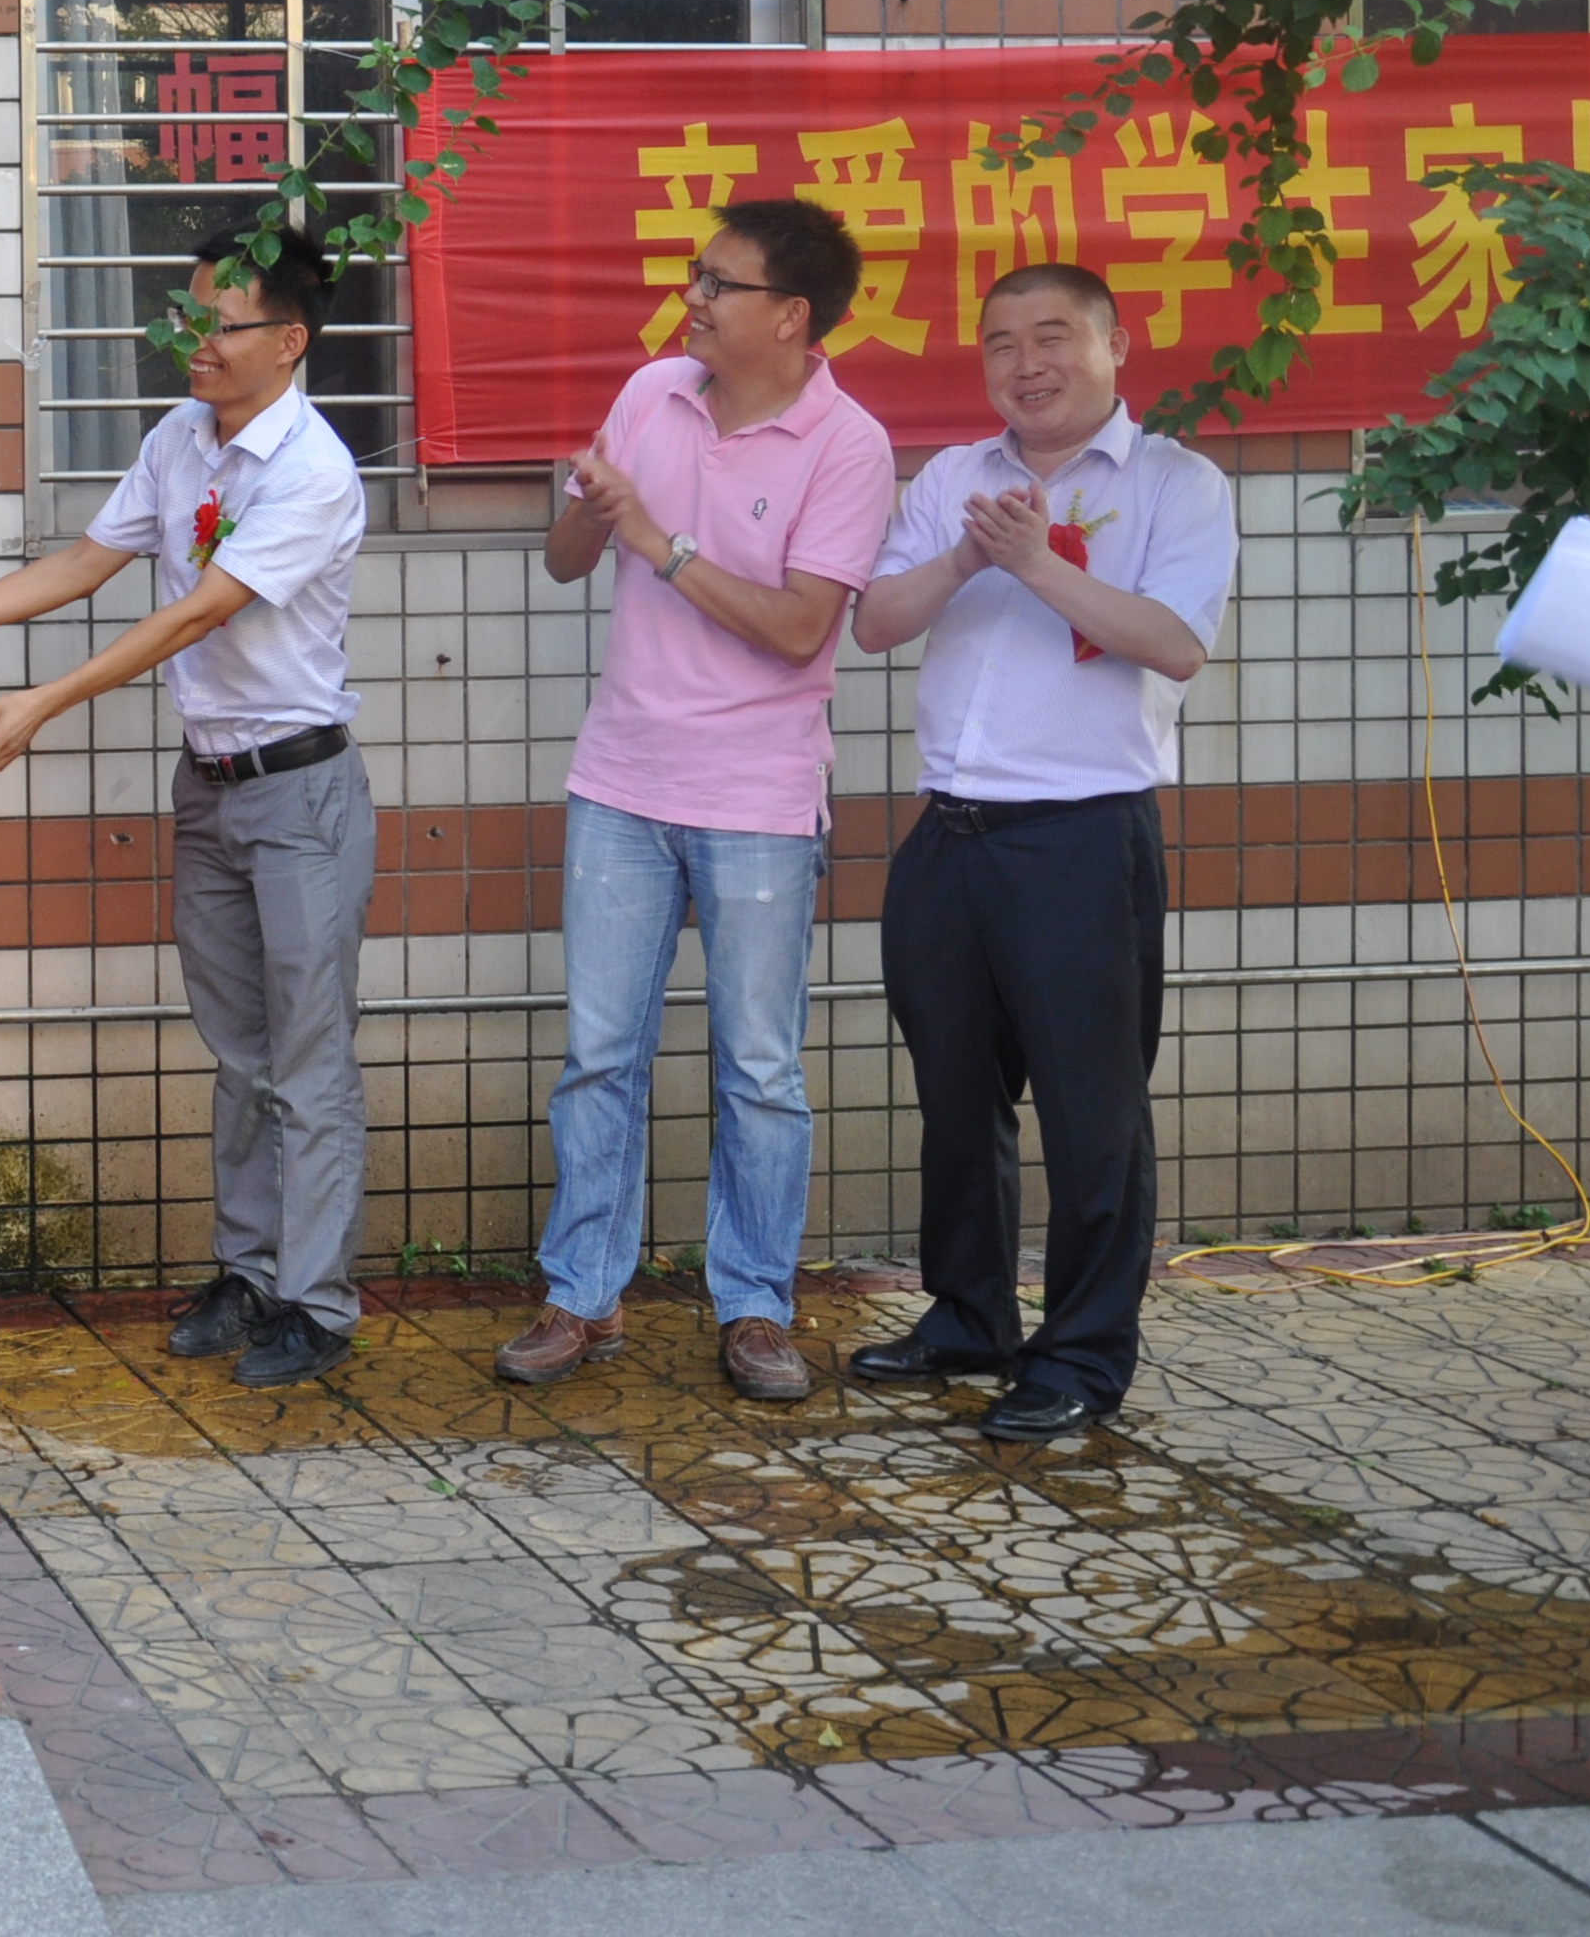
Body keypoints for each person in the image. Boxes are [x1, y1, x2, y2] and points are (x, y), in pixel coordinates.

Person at [0, 232, 374, 1388]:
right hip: (208, 787)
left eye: (221, 325)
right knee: (240, 1053)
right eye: (187, 319)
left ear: (288, 340)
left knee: (307, 1058)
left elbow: (194, 614)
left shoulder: (312, 469)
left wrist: (42, 703)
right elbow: (80, 566)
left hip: (299, 794)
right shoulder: (180, 438)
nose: (195, 343)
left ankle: (316, 1302)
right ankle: (249, 1273)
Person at [505, 197, 895, 1404]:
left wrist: (661, 540)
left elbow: (798, 628)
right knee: (598, 1054)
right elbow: (566, 558)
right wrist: (591, 508)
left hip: (759, 794)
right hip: (620, 779)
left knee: (759, 1066)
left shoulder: (849, 444)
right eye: (695, 275)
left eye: (720, 283)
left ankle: (756, 1304)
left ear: (790, 314)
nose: (694, 298)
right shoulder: (650, 391)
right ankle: (583, 1295)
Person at [848, 262, 1234, 1443]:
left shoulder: (1176, 482)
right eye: (1001, 342)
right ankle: (968, 1316)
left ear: (1116, 344)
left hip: (1080, 835)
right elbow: (873, 620)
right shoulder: (954, 478)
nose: (1026, 363)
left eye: (1053, 336)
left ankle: (1080, 1354)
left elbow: (1173, 642)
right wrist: (968, 558)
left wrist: (1034, 563)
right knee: (957, 1100)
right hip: (949, 832)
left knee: (1090, 1113)